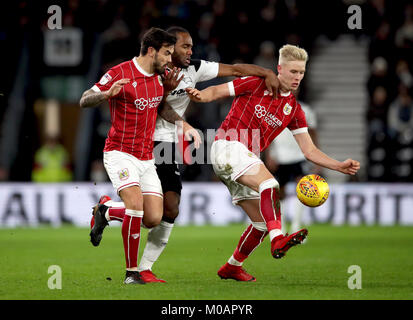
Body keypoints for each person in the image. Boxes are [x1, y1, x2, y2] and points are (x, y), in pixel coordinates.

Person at [89, 26, 280, 283]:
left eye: (190, 46)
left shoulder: (195, 68)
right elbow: (155, 105)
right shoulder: (154, 71)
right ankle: (131, 258)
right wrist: (181, 119)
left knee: (169, 209)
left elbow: (235, 69)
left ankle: (115, 222)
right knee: (146, 210)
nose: (190, 51)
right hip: (143, 142)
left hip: (166, 144)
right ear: (168, 48)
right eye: (184, 47)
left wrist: (266, 72)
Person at [185, 44, 360, 281]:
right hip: (227, 145)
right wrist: (200, 94)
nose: (297, 77)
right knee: (270, 185)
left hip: (244, 158)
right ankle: (278, 238)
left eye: (301, 73)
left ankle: (232, 266)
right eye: (293, 71)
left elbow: (309, 150)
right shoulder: (255, 83)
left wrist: (338, 165)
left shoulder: (294, 111)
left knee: (261, 224)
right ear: (280, 69)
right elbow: (217, 92)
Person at [79, 27, 200, 285]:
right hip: (120, 153)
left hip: (146, 158)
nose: (170, 59)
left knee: (153, 218)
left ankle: (106, 211)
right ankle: (132, 273)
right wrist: (106, 94)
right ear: (152, 50)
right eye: (167, 53)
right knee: (135, 206)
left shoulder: (163, 76)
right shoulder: (119, 73)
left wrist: (184, 125)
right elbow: (84, 99)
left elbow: (163, 107)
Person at [265, 100, 320, 234]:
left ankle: (297, 226)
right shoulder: (272, 108)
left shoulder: (305, 109)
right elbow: (268, 134)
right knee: (280, 192)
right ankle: (282, 228)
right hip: (280, 156)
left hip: (299, 155)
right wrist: (269, 154)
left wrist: (316, 155)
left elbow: (312, 133)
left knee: (303, 190)